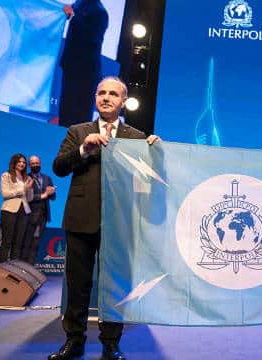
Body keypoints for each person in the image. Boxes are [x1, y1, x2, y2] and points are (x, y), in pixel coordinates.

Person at [50, 76, 160, 360]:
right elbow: (60, 167)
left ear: (123, 101)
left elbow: (152, 178)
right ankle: (74, 341)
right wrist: (83, 150)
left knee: (115, 285)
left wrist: (157, 152)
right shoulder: (78, 131)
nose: (106, 97)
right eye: (101, 92)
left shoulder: (136, 137)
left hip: (119, 223)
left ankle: (111, 343)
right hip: (80, 219)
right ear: (95, 97)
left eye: (113, 93)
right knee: (78, 284)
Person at [58, 0, 108, 127]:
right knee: (65, 112)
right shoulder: (80, 3)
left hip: (86, 73)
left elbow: (93, 38)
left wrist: (73, 16)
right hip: (70, 66)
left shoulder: (100, 12)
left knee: (79, 117)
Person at [0, 153, 34, 263]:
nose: (22, 164)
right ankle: (2, 268)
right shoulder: (6, 175)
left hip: (24, 211)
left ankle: (13, 270)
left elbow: (30, 198)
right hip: (9, 210)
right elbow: (5, 194)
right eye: (19, 161)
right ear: (14, 163)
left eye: (24, 162)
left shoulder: (27, 178)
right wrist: (23, 188)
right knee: (7, 241)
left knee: (18, 242)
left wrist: (29, 189)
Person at [22, 155, 56, 265]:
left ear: (40, 164)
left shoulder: (47, 178)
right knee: (26, 242)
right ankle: (23, 266)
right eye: (33, 163)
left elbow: (52, 197)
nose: (35, 165)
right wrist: (44, 194)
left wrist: (51, 192)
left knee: (36, 243)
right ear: (29, 165)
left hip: (43, 217)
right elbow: (27, 198)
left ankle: (30, 267)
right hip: (29, 216)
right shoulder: (26, 178)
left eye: (37, 163)